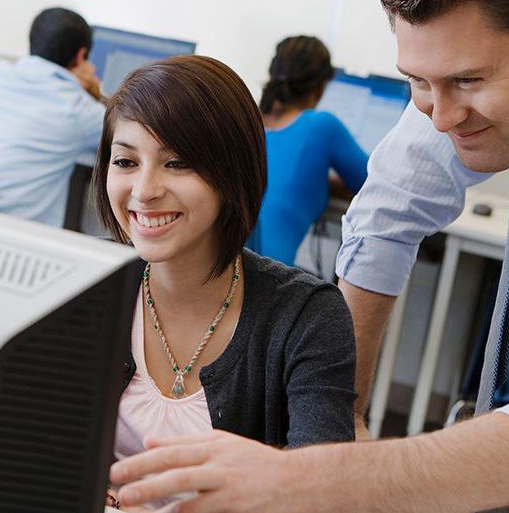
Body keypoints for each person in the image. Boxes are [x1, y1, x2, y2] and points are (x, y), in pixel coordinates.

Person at [108, 0, 509, 511]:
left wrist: (322, 477)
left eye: (467, 81)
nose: (440, 116)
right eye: (418, 83)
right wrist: (341, 419)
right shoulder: (491, 45)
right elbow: (388, 208)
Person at [94, 55, 357, 510]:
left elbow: (322, 492)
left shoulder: (307, 316)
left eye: (176, 163)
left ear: (231, 172)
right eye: (126, 161)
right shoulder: (88, 289)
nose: (144, 189)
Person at [0, 7, 104, 227]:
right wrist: (95, 94)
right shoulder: (78, 110)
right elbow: (126, 135)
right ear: (81, 56)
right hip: (12, 240)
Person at [255, 35, 368, 266]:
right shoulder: (321, 126)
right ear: (320, 87)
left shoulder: (246, 120)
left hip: (220, 273)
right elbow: (372, 183)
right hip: (266, 280)